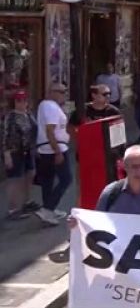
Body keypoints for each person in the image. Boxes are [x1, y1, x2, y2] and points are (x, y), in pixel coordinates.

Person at [86, 145, 140, 218]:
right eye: (134, 166)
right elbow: (97, 223)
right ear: (125, 166)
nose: (139, 171)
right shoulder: (110, 193)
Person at [35, 83, 72, 226]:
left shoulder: (48, 106)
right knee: (66, 179)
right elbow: (50, 130)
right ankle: (47, 209)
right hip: (55, 147)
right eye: (61, 92)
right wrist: (57, 151)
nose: (64, 94)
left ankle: (49, 208)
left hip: (47, 148)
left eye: (65, 91)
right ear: (51, 92)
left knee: (48, 180)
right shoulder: (50, 106)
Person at [3, 90, 38, 220]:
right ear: (14, 102)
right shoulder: (11, 117)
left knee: (30, 174)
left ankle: (26, 201)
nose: (22, 103)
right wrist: (6, 154)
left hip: (28, 150)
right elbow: (5, 136)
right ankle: (13, 209)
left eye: (24, 100)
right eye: (19, 100)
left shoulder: (28, 114)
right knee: (15, 180)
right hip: (15, 151)